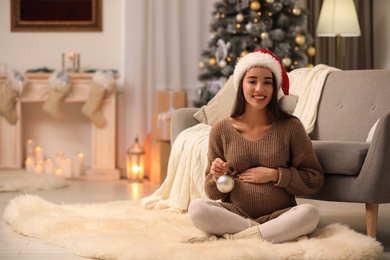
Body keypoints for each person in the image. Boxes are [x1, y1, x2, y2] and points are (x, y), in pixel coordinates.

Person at [187, 48, 324, 243]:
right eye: (252, 81)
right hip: (234, 214)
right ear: (241, 85)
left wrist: (275, 174)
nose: (259, 89)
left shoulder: (291, 127)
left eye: (267, 82)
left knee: (309, 213)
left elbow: (314, 179)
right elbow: (212, 191)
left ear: (274, 87)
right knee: (198, 209)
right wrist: (220, 176)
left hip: (280, 215)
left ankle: (240, 237)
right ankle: (264, 235)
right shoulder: (220, 130)